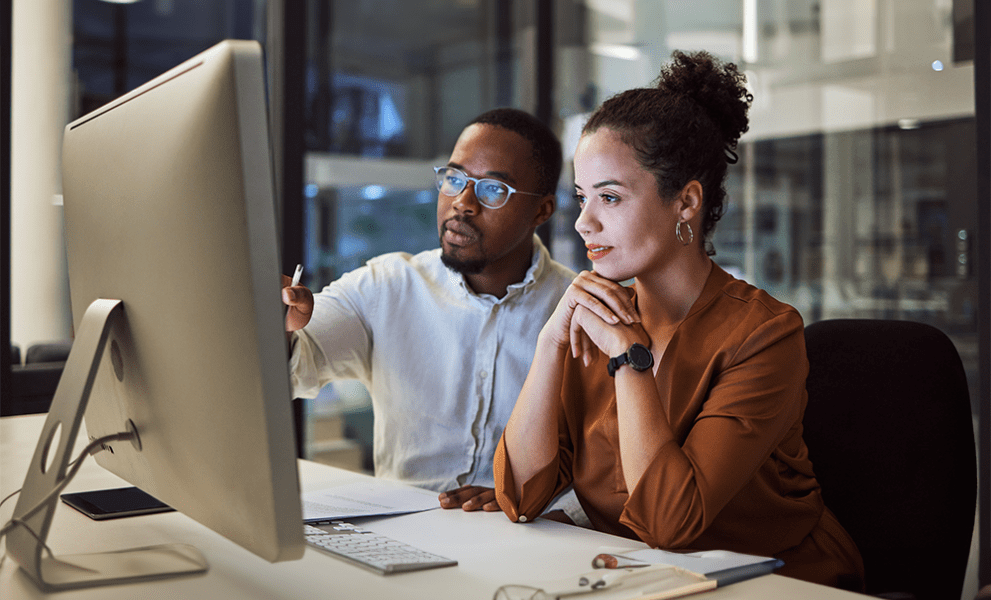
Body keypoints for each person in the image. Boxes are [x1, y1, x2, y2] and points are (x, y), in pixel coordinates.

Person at [493, 51, 865, 589]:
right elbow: (520, 496)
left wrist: (629, 358)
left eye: (611, 197)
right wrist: (551, 342)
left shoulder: (764, 334)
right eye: (582, 198)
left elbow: (670, 522)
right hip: (643, 580)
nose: (584, 223)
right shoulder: (594, 320)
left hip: (776, 582)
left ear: (686, 201)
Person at [282, 108, 580, 516]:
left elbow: (610, 468)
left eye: (493, 189)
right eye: (454, 179)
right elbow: (296, 367)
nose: (462, 202)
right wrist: (282, 329)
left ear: (542, 211)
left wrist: (537, 502)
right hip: (399, 528)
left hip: (525, 535)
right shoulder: (387, 285)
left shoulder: (577, 311)